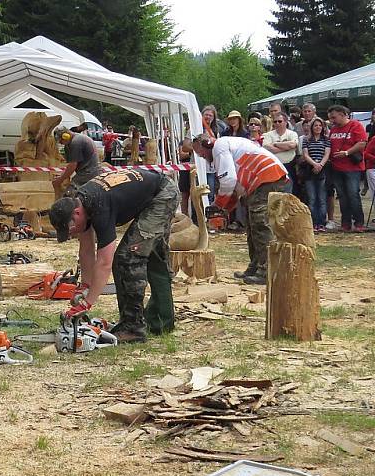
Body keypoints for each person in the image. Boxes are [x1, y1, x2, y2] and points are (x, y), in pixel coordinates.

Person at [48, 168, 179, 344]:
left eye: (69, 229)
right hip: (155, 190)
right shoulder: (82, 202)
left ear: (76, 214)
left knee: (128, 258)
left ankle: (133, 328)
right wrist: (84, 287)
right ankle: (163, 320)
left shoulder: (99, 206)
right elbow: (86, 252)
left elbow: (104, 262)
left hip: (162, 195)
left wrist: (87, 303)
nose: (71, 233)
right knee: (152, 254)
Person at [192, 134, 289, 285]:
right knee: (251, 223)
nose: (203, 157)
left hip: (266, 175)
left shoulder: (219, 147)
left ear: (206, 145)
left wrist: (218, 205)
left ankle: (267, 270)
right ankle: (256, 265)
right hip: (261, 177)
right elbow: (235, 186)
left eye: (202, 153)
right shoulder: (227, 146)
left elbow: (229, 180)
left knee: (260, 223)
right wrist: (225, 207)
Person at [327, 104, 367, 232]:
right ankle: (346, 222)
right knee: (342, 195)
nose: (332, 120)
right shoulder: (333, 130)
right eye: (331, 118)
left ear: (343, 114)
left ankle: (359, 222)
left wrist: (347, 152)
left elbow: (362, 143)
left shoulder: (355, 125)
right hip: (336, 167)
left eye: (334, 117)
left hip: (352, 168)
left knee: (353, 194)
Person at [301, 117, 332, 231]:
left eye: (320, 125)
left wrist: (320, 165)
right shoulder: (306, 139)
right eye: (316, 125)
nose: (318, 127)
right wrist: (314, 164)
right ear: (312, 127)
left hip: (322, 170)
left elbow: (327, 153)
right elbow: (305, 154)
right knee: (312, 198)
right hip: (310, 170)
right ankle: (313, 223)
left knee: (322, 198)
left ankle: (322, 223)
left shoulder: (326, 139)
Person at [52, 126, 101, 191]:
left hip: (89, 173)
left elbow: (72, 166)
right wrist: (61, 176)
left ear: (65, 136)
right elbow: (69, 166)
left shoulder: (76, 142)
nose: (61, 143)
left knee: (71, 192)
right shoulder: (68, 145)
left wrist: (60, 180)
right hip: (85, 172)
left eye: (61, 141)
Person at [262, 111, 299, 193]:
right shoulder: (267, 135)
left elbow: (292, 145)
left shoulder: (292, 134)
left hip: (289, 167)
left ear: (286, 122)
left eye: (280, 121)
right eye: (275, 121)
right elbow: (268, 149)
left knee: (288, 193)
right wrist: (286, 148)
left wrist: (275, 143)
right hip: (274, 167)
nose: (277, 123)